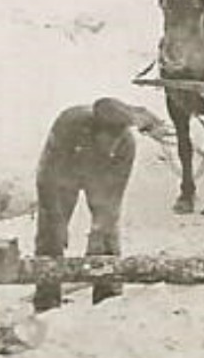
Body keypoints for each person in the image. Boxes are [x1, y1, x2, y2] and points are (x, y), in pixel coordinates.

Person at [34, 98, 139, 312]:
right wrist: (57, 220)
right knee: (50, 234)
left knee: (106, 237)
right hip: (64, 173)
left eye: (116, 139)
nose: (112, 145)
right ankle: (47, 298)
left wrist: (99, 230)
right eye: (108, 139)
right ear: (95, 130)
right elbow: (48, 176)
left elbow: (113, 196)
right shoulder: (68, 126)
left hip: (100, 178)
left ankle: (106, 296)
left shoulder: (126, 144)